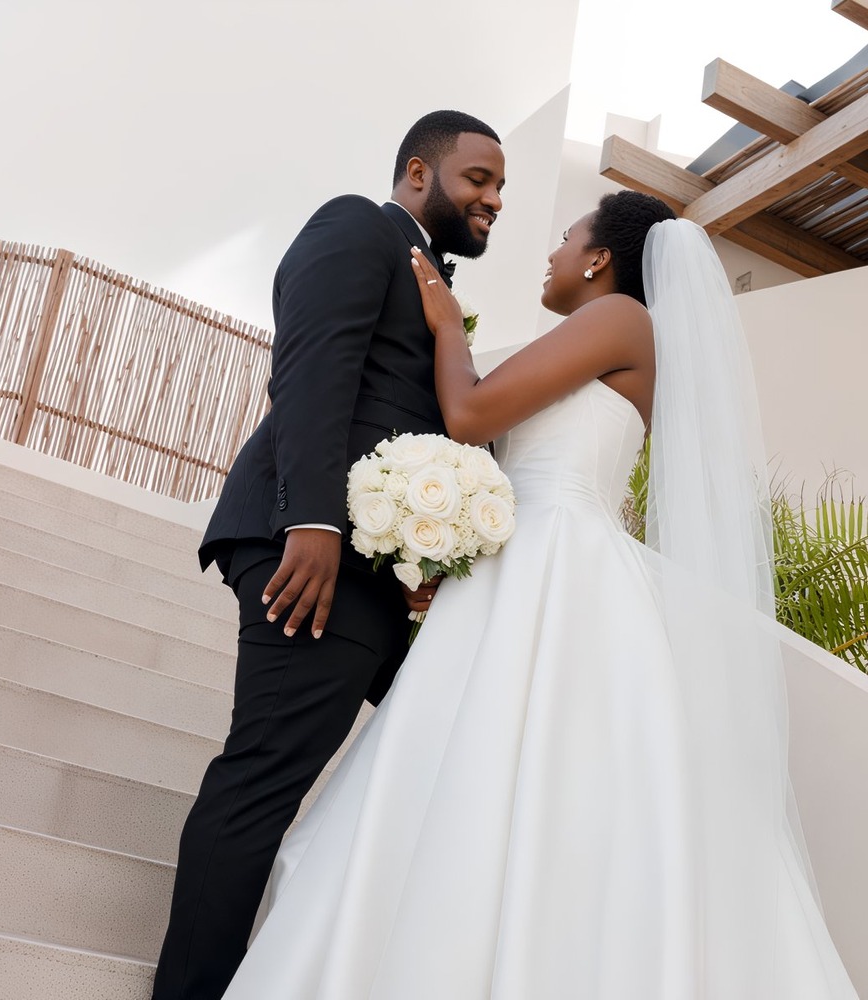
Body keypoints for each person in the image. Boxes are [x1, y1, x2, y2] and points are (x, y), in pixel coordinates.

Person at [220, 191, 860, 998]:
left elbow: (471, 413)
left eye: (565, 237)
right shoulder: (622, 336)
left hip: (556, 565)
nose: (552, 252)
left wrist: (448, 326)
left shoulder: (620, 317)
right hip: (532, 560)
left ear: (599, 259)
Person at [150, 110, 507, 1000]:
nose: (493, 199)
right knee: (265, 777)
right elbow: (312, 369)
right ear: (419, 174)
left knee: (454, 769)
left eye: (501, 187)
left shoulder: (435, 279)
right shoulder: (356, 224)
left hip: (387, 577)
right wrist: (312, 522)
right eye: (479, 180)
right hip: (316, 555)